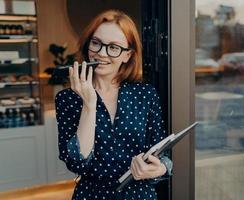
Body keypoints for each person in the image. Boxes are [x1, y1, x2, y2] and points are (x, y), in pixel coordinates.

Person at [55, 9, 173, 200]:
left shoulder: (145, 94)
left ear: (127, 55)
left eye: (114, 47)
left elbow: (162, 155)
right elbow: (77, 163)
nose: (101, 53)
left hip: (140, 195)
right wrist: (89, 104)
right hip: (91, 195)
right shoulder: (67, 98)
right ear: (87, 45)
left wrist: (160, 168)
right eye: (96, 43)